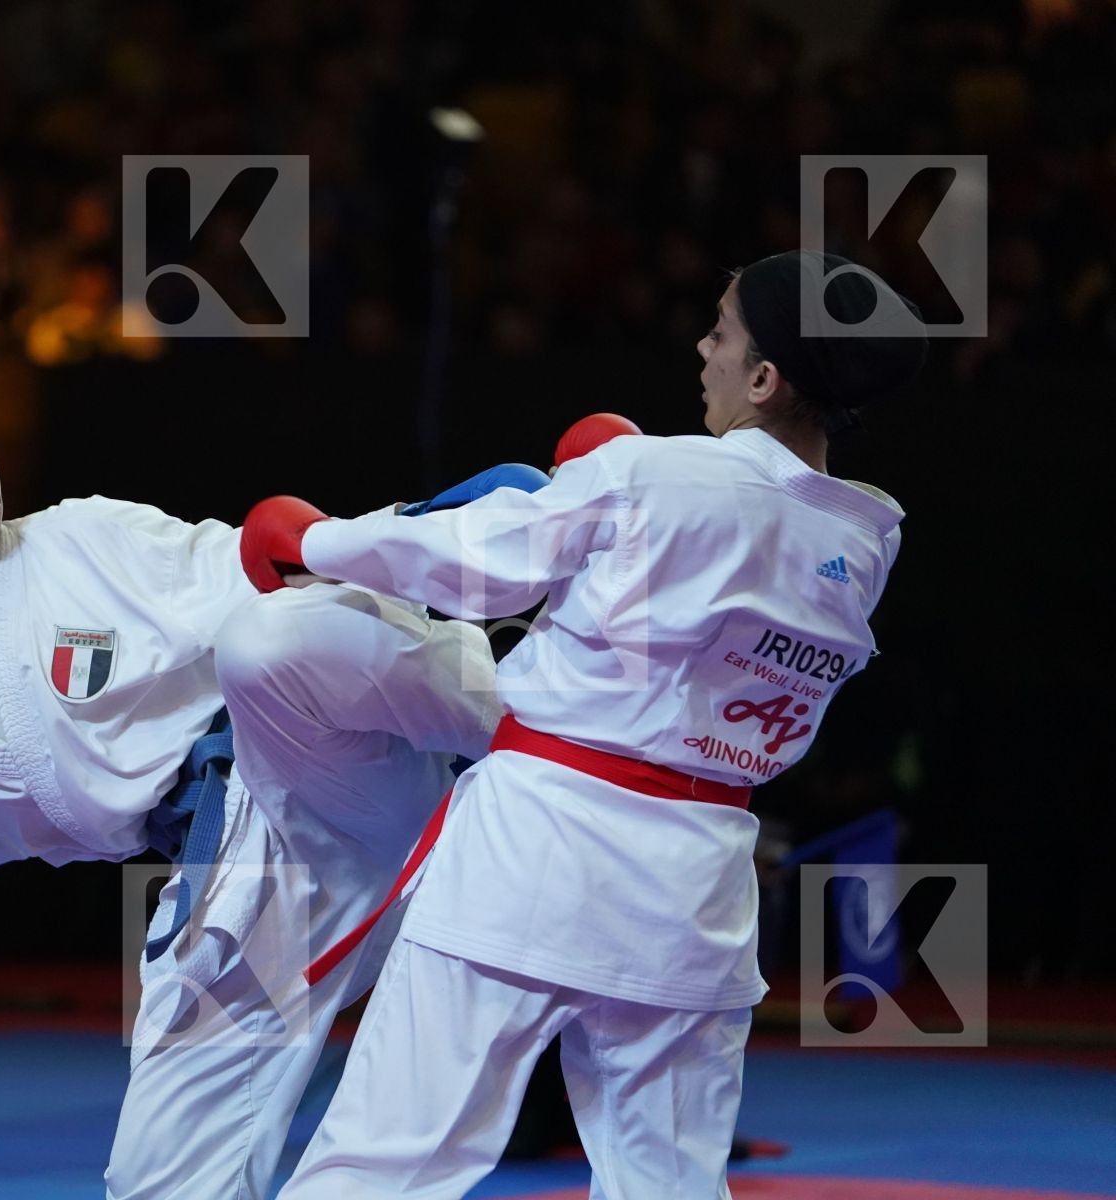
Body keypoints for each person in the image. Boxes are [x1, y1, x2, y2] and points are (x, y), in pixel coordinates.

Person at [247, 250, 928, 1199]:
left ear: (765, 379)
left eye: (722, 332)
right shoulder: (869, 536)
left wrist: (311, 540)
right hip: (699, 885)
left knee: (393, 1157)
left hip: (540, 848)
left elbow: (471, 561)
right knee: (668, 1181)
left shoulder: (652, 471)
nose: (703, 347)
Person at [0, 385, 507, 1199]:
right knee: (158, 1180)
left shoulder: (78, 539)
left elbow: (262, 561)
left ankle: (540, 713)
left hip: (312, 768)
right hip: (240, 889)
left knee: (271, 632)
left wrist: (424, 527)